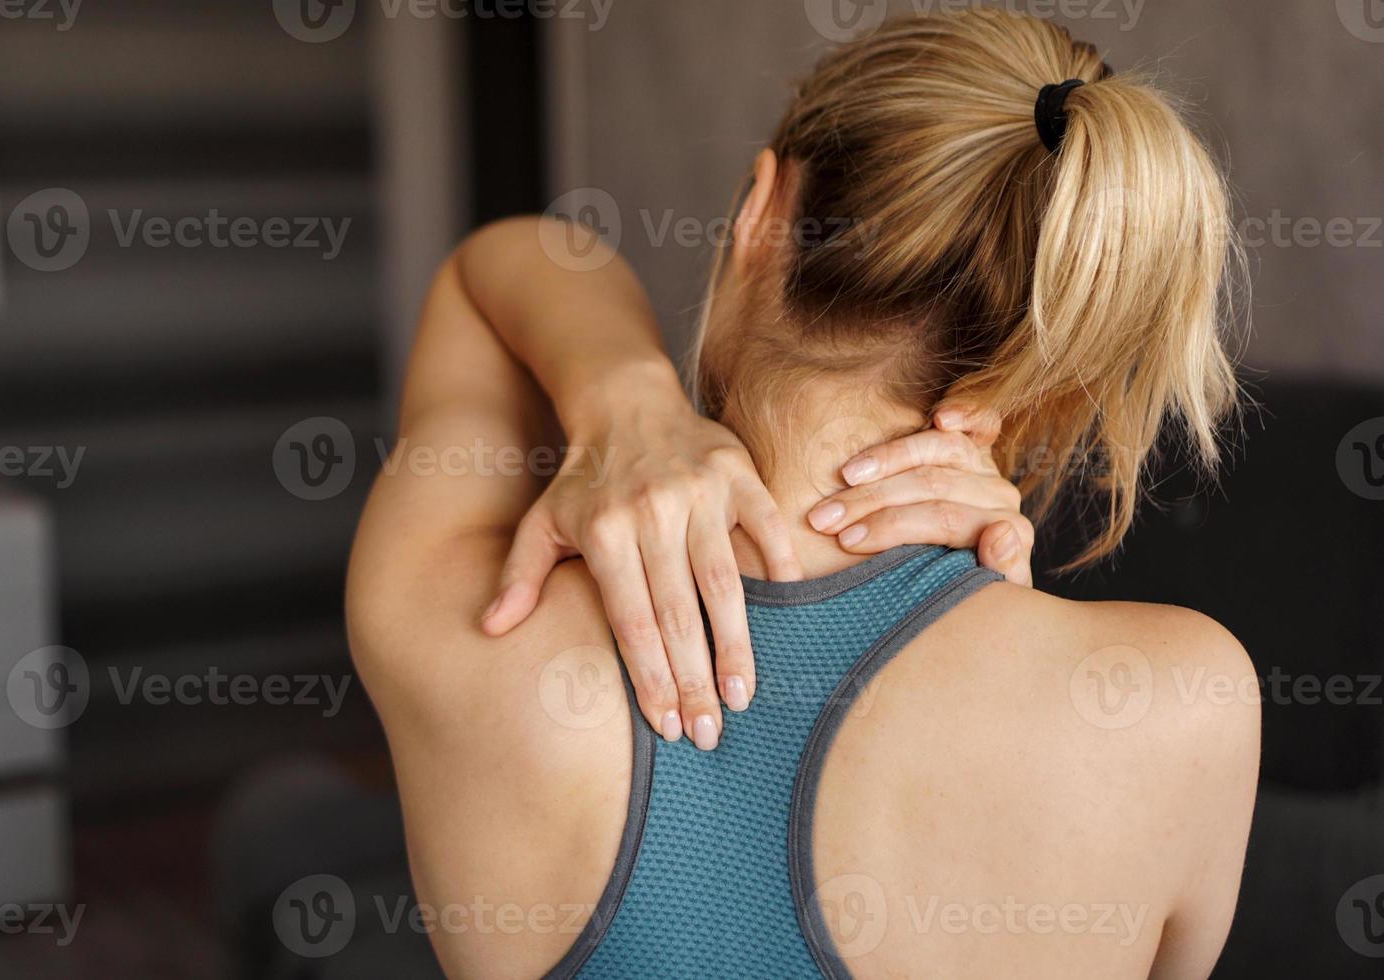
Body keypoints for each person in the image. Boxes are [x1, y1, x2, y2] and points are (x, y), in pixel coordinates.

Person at [347, 10, 1259, 977]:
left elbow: (488, 271)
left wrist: (624, 395)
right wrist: (1002, 620)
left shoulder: (467, 620)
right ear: (1043, 364)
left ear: (760, 213)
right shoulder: (1185, 703)